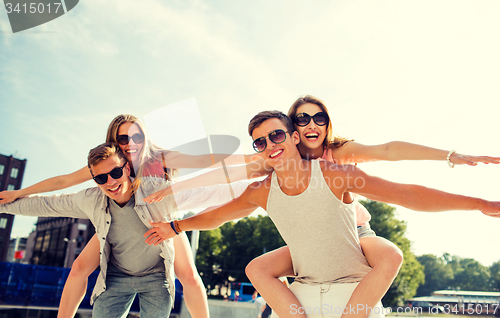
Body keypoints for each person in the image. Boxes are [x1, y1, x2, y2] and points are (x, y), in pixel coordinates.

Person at [142, 95, 500, 318]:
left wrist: (461, 173)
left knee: (390, 255)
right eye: (301, 119)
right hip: (305, 245)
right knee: (257, 267)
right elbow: (222, 185)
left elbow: (396, 168)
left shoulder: (339, 163)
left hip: (354, 234)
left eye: (317, 119)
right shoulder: (264, 175)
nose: (310, 126)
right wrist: (172, 207)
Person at [0, 114, 255, 318]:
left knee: (188, 276)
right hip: (119, 225)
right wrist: (20, 193)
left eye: (137, 136)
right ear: (114, 140)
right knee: (78, 267)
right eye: (124, 137)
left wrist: (254, 162)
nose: (132, 143)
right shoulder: (109, 162)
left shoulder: (157, 157)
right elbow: (64, 181)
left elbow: (204, 160)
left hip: (161, 219)